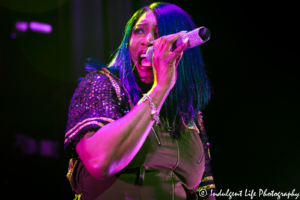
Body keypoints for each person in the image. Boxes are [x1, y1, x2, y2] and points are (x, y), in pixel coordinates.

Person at [64, 2, 216, 200]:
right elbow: (100, 162)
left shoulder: (189, 115)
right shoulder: (103, 85)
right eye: (139, 31)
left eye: (159, 32)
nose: (149, 40)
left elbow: (205, 192)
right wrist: (160, 87)